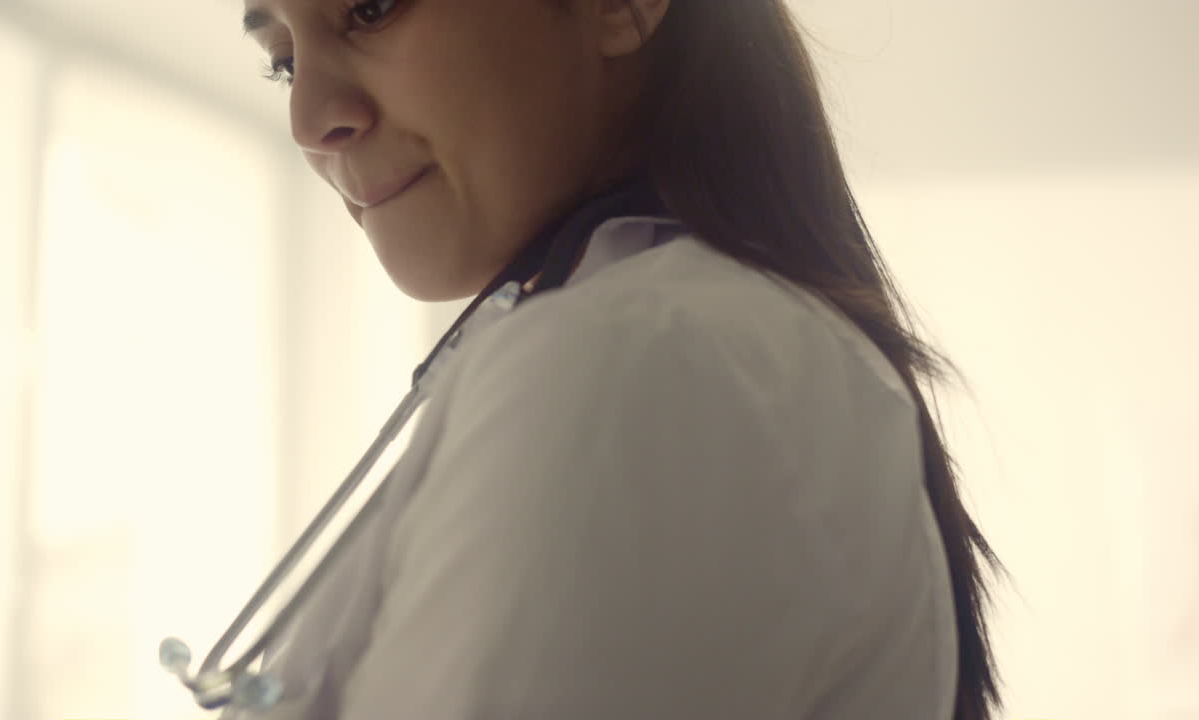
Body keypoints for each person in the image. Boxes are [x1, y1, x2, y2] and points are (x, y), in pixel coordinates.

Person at [232, 1, 1007, 718]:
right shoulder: (689, 342)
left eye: (370, 8)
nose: (308, 119)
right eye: (285, 62)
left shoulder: (642, 354)